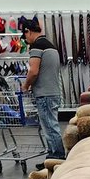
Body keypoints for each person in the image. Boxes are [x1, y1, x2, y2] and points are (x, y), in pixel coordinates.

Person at [20, 16, 66, 162]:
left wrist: (25, 85)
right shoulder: (50, 46)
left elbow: (33, 71)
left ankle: (56, 157)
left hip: (44, 94)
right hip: (53, 92)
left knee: (49, 127)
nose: (25, 40)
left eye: (25, 36)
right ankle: (54, 155)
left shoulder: (37, 46)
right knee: (52, 125)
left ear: (28, 31)